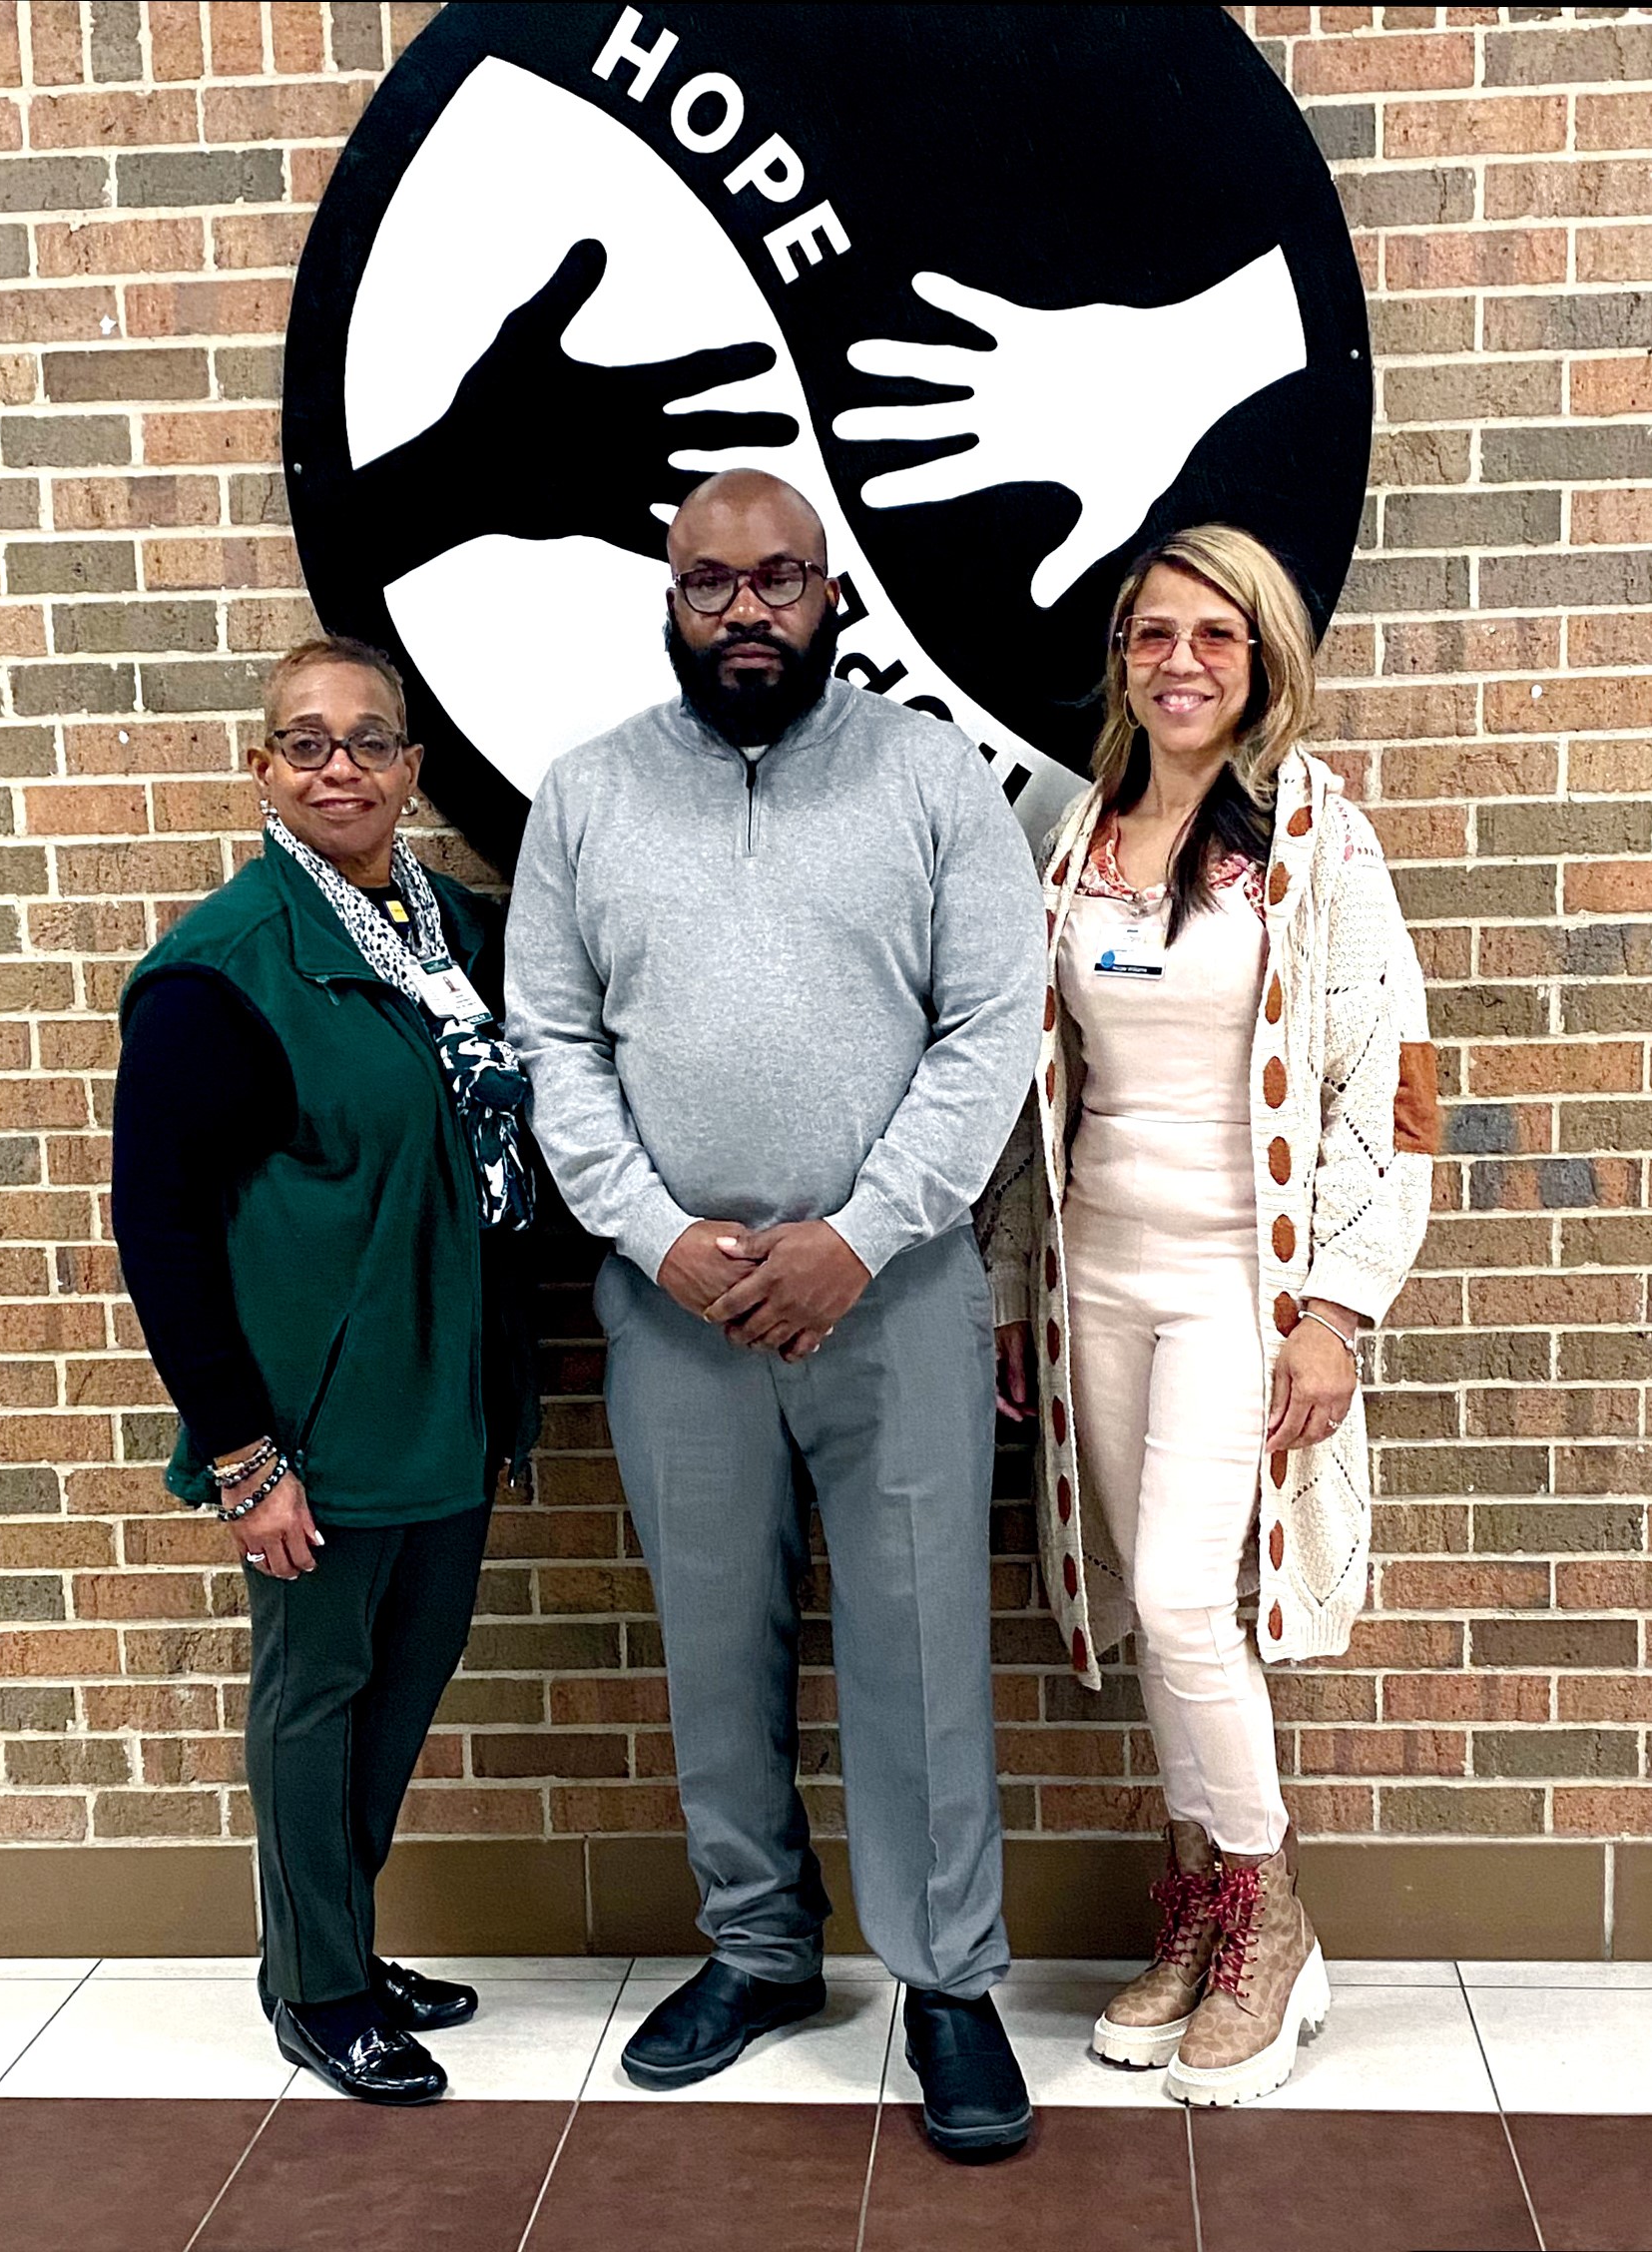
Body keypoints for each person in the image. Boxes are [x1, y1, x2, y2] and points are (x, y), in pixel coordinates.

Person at [505, 469, 1045, 2155]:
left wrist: (862, 1235)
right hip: (672, 1311)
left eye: (779, 580)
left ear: (831, 598)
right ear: (667, 600)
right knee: (709, 1650)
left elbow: (990, 1028)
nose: (746, 609)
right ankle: (756, 1951)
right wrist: (661, 1237)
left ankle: (946, 1988)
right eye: (709, 584)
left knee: (918, 1653)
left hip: (891, 1301)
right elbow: (552, 1045)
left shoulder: (930, 778)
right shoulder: (587, 796)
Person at [981, 525, 1436, 2107]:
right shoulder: (1076, 837)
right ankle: (1194, 1904)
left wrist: (1339, 1314)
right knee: (1131, 1602)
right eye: (1151, 634)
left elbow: (1385, 1088)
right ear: (1122, 657)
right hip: (1092, 1276)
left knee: (1186, 1603)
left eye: (1215, 638)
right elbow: (1039, 1102)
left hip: (1240, 1286)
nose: (1179, 662)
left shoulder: (1318, 836)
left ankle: (1270, 1920)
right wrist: (1006, 1297)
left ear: (1262, 663)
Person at [111, 636, 539, 2105]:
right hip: (315, 1425)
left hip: (447, 1405)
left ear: (413, 769)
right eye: (304, 742)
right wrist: (242, 1453)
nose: (337, 764)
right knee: (314, 1700)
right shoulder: (224, 973)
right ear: (262, 771)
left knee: (399, 1691)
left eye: (367, 740)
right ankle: (318, 1989)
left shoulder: (453, 941)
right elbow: (157, 1229)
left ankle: (332, 1941)